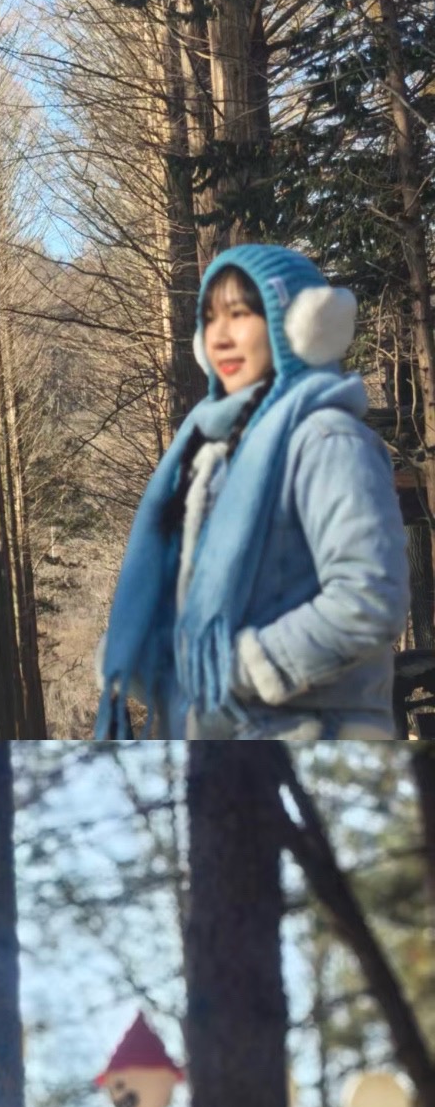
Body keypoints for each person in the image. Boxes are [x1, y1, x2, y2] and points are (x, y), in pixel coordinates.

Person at [96, 241, 410, 744]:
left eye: (240, 314)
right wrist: (144, 654)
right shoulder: (210, 451)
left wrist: (240, 665)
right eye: (209, 318)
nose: (220, 336)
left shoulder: (328, 441)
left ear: (299, 326)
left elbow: (369, 598)